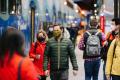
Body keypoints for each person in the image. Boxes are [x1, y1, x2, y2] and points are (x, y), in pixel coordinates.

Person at [78, 16, 105, 80]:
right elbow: (105, 43)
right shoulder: (101, 33)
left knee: (88, 76)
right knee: (95, 77)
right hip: (97, 58)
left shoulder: (85, 34)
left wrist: (86, 49)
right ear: (97, 25)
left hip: (88, 59)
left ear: (89, 24)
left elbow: (80, 46)